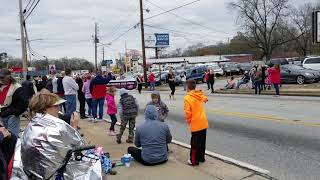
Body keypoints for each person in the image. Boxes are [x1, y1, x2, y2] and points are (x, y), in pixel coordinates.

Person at [21, 90, 101, 179]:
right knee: (96, 165)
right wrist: (74, 126)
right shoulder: (58, 126)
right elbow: (79, 148)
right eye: (56, 106)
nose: (59, 108)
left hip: (35, 172)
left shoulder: (32, 124)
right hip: (54, 174)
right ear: (44, 109)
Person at [184, 80, 208, 166]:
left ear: (187, 87)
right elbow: (205, 99)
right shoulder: (199, 94)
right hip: (203, 122)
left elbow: (188, 113)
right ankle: (201, 158)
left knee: (194, 143)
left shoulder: (187, 98)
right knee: (202, 142)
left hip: (195, 123)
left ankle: (193, 160)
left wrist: (190, 121)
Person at [0, 69, 28, 137]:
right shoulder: (1, 85)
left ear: (9, 77)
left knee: (12, 138)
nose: (1, 79)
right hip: (2, 115)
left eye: (2, 77)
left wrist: (13, 113)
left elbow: (23, 104)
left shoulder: (17, 87)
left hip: (11, 116)